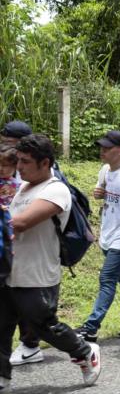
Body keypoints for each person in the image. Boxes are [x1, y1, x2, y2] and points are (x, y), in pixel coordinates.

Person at [0, 134, 101, 389]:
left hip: (37, 275)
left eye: (25, 161)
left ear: (45, 163)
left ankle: (84, 352)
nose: (19, 166)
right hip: (10, 271)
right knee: (1, 327)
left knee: (44, 327)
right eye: (18, 161)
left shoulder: (56, 190)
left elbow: (19, 223)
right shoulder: (22, 187)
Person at [75, 131, 120, 343]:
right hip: (109, 233)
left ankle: (91, 327)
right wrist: (101, 194)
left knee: (107, 278)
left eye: (107, 148)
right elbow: (104, 193)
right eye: (102, 147)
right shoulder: (105, 171)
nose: (103, 151)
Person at [0, 124, 45, 368]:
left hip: (29, 247)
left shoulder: (37, 173)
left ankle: (32, 343)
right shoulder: (8, 167)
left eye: (10, 141)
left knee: (29, 302)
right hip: (8, 245)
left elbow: (24, 218)